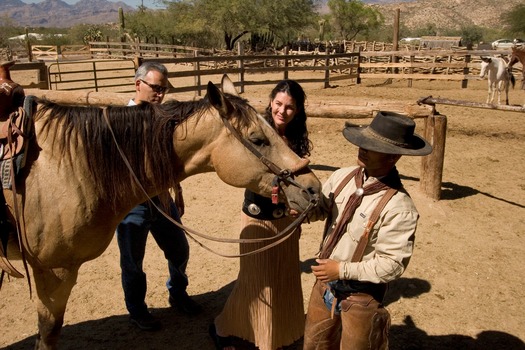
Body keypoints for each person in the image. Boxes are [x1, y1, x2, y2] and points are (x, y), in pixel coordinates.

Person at [303, 111, 433, 349]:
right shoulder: (342, 177)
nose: (362, 147)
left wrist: (341, 270)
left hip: (360, 300)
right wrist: (301, 210)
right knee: (314, 344)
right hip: (324, 288)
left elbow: (392, 264)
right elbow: (322, 209)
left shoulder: (399, 207)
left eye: (371, 145)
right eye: (364, 141)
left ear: (393, 156)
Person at [210, 80, 313, 350]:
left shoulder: (296, 140)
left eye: (290, 107)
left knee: (284, 277)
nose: (282, 111)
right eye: (278, 104)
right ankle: (225, 327)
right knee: (255, 282)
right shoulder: (257, 133)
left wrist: (298, 210)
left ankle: (278, 331)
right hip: (258, 218)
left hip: (287, 221)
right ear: (270, 102)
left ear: (298, 110)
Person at [117, 61, 201, 332]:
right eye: (156, 88)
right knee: (132, 261)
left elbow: (169, 160)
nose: (160, 94)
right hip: (132, 204)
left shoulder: (162, 118)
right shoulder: (119, 121)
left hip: (162, 200)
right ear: (137, 84)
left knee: (179, 249)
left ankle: (177, 292)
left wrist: (177, 191)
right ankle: (137, 310)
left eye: (163, 89)